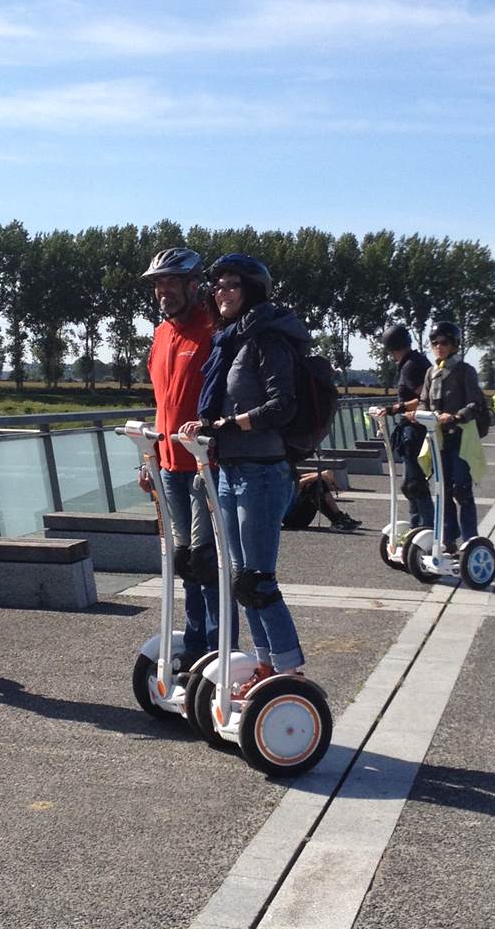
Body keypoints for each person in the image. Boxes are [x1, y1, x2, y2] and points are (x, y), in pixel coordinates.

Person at [181, 253, 309, 698]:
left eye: (232, 285)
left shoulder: (266, 339)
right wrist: (206, 426)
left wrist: (229, 425)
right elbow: (223, 406)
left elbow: (282, 406)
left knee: (258, 580)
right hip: (229, 469)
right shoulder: (229, 341)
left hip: (262, 472)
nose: (222, 292)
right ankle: (266, 664)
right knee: (241, 580)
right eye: (217, 285)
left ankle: (290, 672)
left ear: (252, 290)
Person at [140, 247, 226, 669]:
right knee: (185, 561)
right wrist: (149, 460)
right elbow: (163, 404)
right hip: (169, 465)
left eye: (171, 283)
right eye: (159, 285)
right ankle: (195, 645)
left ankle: (218, 648)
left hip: (204, 466)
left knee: (205, 561)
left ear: (194, 285)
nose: (164, 292)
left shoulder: (213, 330)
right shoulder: (161, 334)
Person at [408, 321, 488, 555]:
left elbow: (475, 403)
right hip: (438, 438)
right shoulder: (431, 372)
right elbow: (424, 401)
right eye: (434, 343)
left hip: (460, 437)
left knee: (461, 490)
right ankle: (448, 537)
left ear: (454, 345)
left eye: (443, 342)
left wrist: (456, 416)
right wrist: (418, 414)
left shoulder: (464, 370)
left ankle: (470, 540)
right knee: (442, 490)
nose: (438, 347)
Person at [377, 325, 435, 532]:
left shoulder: (410, 366)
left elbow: (426, 398)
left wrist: (396, 408)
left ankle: (426, 528)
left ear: (391, 347)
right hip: (416, 429)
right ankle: (416, 526)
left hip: (415, 430)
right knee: (410, 484)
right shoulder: (416, 361)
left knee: (415, 484)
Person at [282, 465, 360, 531]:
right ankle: (337, 520)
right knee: (314, 485)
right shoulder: (276, 473)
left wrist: (322, 475)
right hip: (291, 519)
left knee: (318, 482)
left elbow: (297, 478)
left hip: (297, 512)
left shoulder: (283, 466)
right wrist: (319, 476)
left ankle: (339, 517)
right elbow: (294, 486)